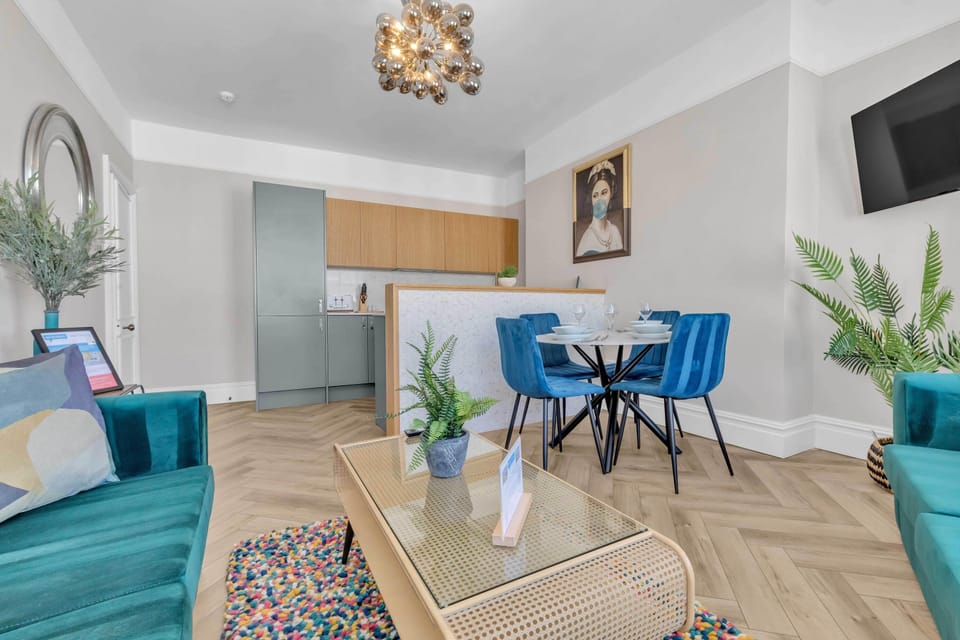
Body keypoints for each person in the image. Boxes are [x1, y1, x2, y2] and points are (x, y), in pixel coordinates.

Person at [576, 159, 624, 257]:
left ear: (611, 193)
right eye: (595, 195)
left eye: (604, 193)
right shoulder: (587, 239)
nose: (599, 200)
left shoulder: (614, 231)